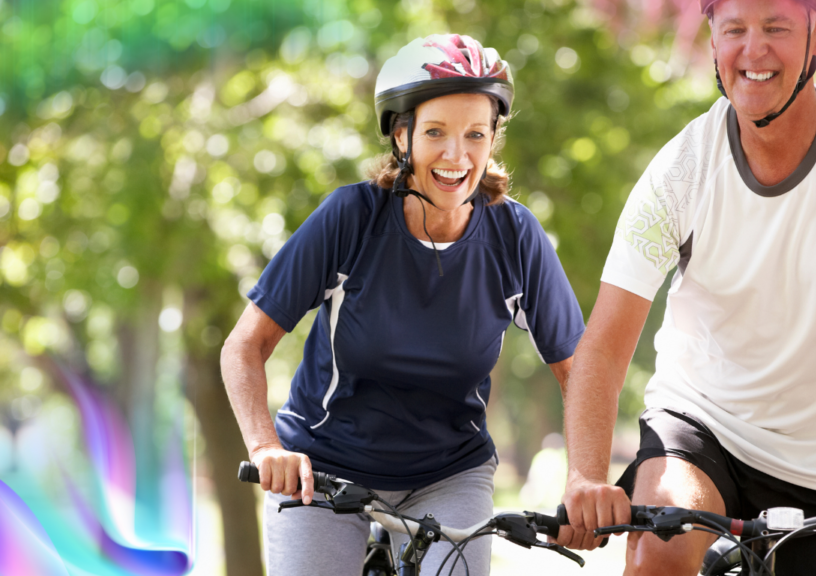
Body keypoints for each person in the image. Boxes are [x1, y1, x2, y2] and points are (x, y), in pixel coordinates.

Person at [556, 0, 816, 574]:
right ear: (712, 41)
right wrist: (584, 475)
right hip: (703, 428)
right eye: (734, 30)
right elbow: (603, 344)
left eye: (775, 28)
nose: (752, 50)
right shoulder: (680, 168)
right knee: (662, 544)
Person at [221, 34, 585, 576]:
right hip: (325, 470)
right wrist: (266, 447)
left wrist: (583, 479)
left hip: (450, 473)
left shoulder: (515, 236)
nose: (456, 155)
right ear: (401, 135)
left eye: (475, 135)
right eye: (435, 132)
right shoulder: (351, 218)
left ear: (492, 141)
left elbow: (580, 371)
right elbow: (243, 347)